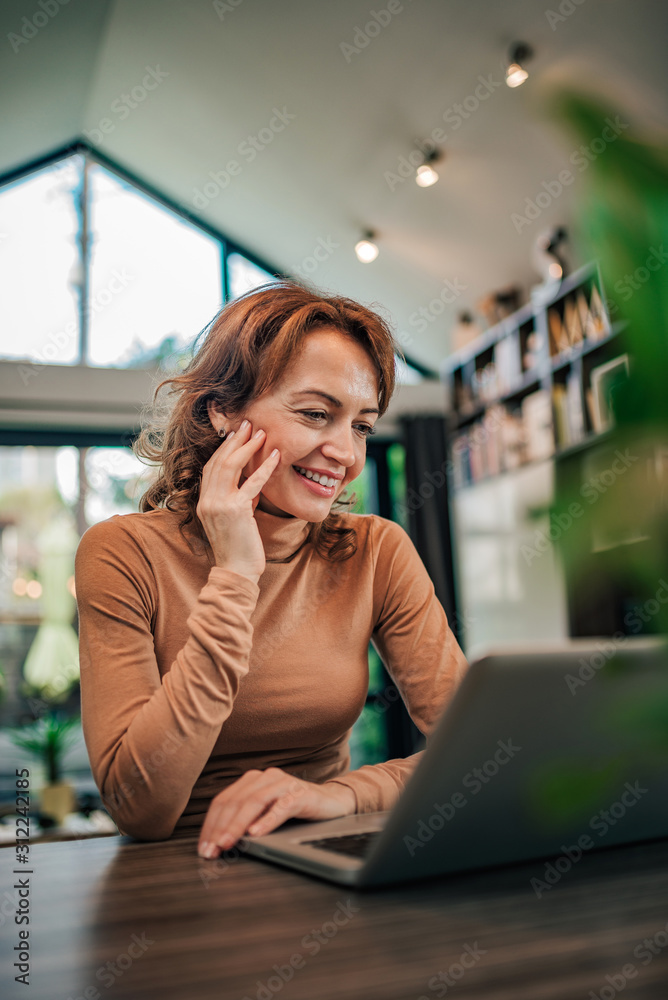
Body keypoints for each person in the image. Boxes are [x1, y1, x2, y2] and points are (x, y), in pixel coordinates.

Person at [75, 281, 468, 861]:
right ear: (223, 413)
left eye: (361, 425)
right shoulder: (122, 554)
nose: (346, 453)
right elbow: (141, 806)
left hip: (323, 855)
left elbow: (477, 754)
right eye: (315, 414)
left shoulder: (377, 550)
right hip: (174, 873)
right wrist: (235, 574)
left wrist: (341, 798)